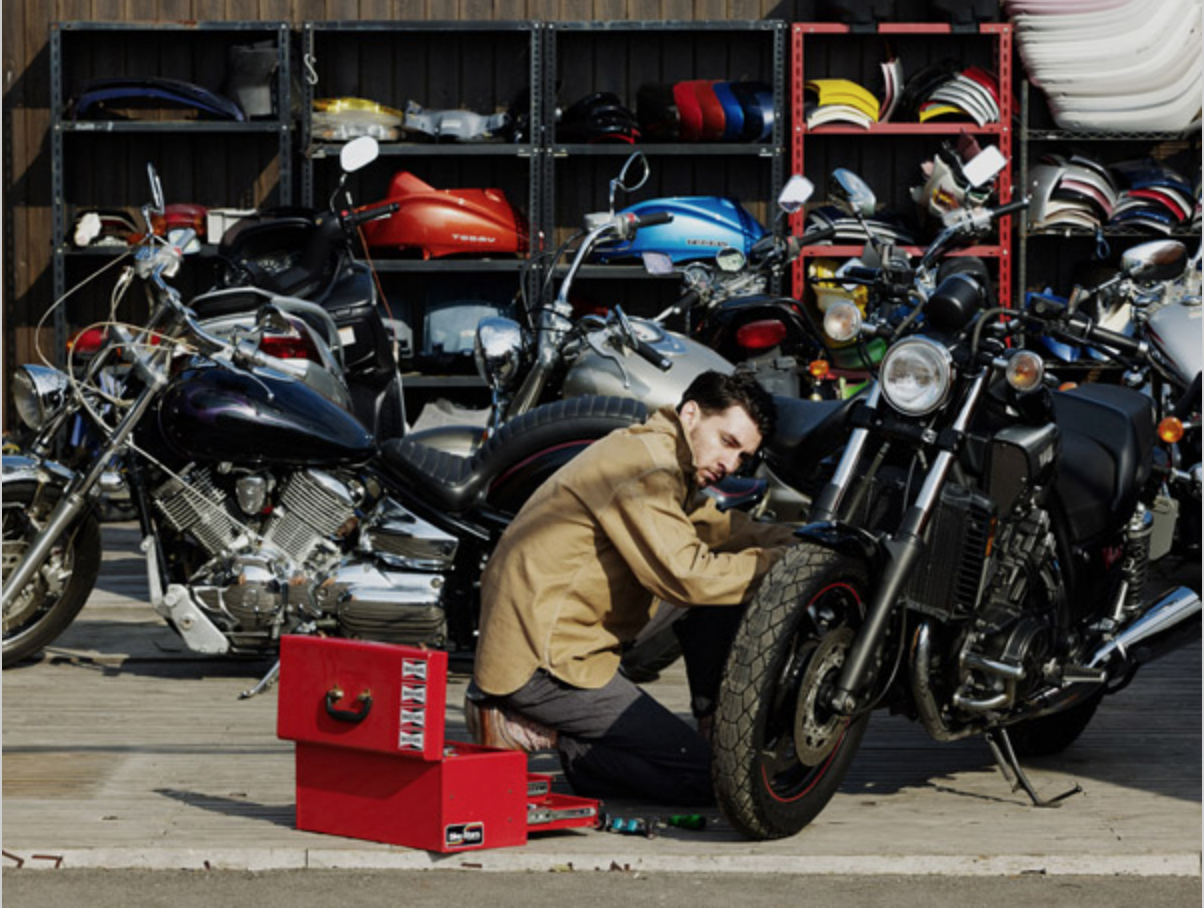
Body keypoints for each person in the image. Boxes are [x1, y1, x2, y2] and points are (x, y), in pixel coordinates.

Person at [465, 370, 797, 805]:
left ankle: (711, 722)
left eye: (742, 458)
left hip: (568, 629)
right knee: (720, 779)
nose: (730, 466)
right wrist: (782, 565)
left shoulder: (660, 454)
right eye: (728, 443)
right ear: (691, 414)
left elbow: (714, 527)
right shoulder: (645, 469)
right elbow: (689, 577)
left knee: (726, 590)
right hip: (546, 660)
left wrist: (796, 540)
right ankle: (550, 737)